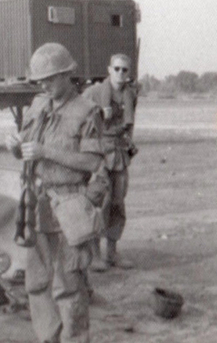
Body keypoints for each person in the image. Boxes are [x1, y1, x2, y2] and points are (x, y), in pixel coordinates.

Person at [5, 43, 106, 343]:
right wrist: (15, 146)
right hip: (37, 205)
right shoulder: (37, 106)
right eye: (40, 81)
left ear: (67, 74)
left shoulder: (87, 112)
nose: (44, 85)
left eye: (50, 79)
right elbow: (27, 150)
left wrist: (45, 151)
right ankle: (48, 338)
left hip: (69, 204)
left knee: (68, 285)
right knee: (36, 282)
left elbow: (93, 162)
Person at [82, 53, 137, 272]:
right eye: (117, 69)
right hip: (99, 154)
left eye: (125, 70)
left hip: (119, 153)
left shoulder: (129, 94)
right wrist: (97, 114)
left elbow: (128, 124)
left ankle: (112, 253)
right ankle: (94, 254)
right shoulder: (94, 92)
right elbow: (79, 116)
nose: (121, 73)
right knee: (97, 203)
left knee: (117, 203)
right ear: (109, 69)